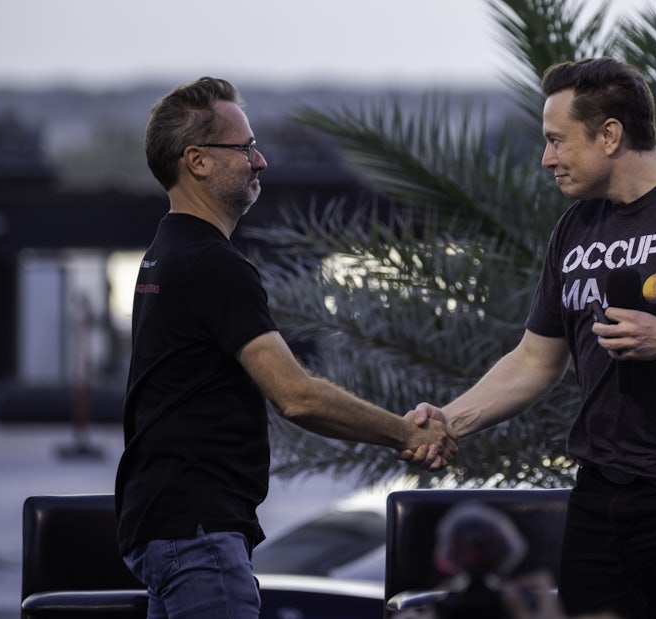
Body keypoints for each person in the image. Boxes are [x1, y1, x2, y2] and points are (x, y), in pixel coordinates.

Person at [408, 57, 656, 619]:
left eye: (556, 141)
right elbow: (534, 360)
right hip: (602, 497)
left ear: (610, 135)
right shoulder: (575, 228)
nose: (546, 158)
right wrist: (451, 421)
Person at [114, 76, 456, 619]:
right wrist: (401, 433)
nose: (261, 161)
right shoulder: (214, 266)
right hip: (200, 534)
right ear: (197, 160)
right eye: (245, 148)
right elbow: (296, 396)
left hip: (166, 526)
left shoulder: (164, 252)